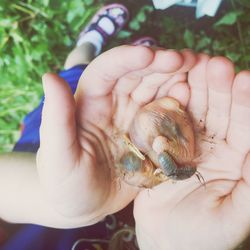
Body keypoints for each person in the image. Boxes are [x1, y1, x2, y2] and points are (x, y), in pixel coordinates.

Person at [1, 3, 250, 250]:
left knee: (77, 76)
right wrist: (160, 244)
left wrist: (54, 201)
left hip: (66, 157)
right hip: (149, 201)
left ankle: (88, 44)